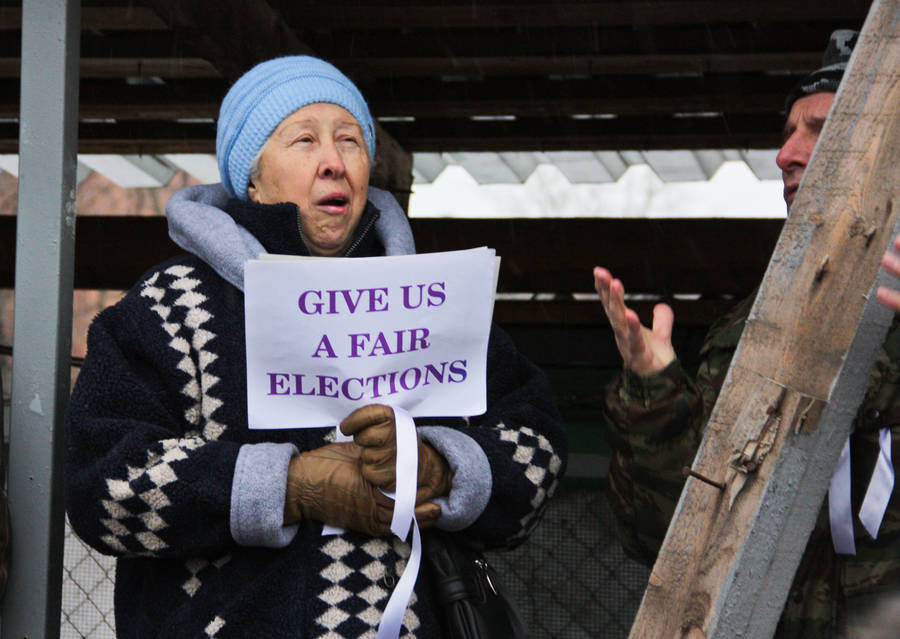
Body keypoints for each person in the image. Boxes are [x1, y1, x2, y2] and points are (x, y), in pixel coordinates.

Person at [65, 56, 566, 639]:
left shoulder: (431, 303)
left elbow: (537, 448)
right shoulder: (172, 307)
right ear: (251, 177)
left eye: (350, 141)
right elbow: (101, 486)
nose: (333, 162)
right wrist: (288, 486)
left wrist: (446, 470)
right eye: (303, 140)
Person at [595, 30, 900, 638]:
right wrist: (655, 397)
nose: (786, 154)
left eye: (821, 129)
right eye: (788, 133)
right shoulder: (751, 330)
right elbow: (660, 538)